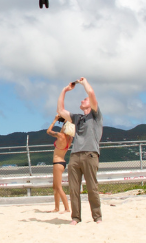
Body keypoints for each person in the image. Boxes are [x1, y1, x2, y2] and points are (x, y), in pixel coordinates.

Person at [57, 77, 102, 224]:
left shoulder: (95, 115)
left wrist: (83, 82)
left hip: (90, 154)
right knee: (74, 189)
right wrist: (64, 90)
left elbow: (91, 92)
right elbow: (60, 110)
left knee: (92, 188)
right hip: (75, 155)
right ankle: (76, 217)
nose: (83, 101)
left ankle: (97, 217)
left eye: (85, 99)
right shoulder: (77, 118)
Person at [45, 112, 71, 213]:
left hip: (57, 162)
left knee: (59, 187)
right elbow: (64, 131)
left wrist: (55, 120)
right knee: (55, 187)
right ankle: (56, 208)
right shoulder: (69, 138)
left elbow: (48, 131)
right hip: (62, 162)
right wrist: (65, 122)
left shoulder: (60, 136)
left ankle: (67, 208)